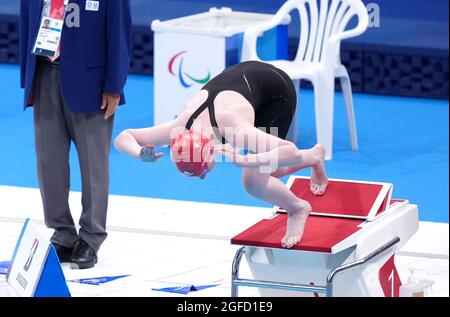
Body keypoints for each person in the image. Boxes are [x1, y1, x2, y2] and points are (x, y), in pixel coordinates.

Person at [114, 61, 328, 248]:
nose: (203, 177)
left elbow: (291, 152)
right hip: (244, 84)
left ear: (209, 150)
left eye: (203, 171)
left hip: (275, 93)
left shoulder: (234, 129)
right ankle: (315, 156)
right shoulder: (180, 126)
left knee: (253, 181)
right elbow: (124, 137)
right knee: (266, 168)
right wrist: (139, 153)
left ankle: (297, 208)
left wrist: (245, 159)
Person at [20, 0, 132, 268]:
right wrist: (28, 78)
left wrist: (114, 85)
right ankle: (62, 234)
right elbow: (27, 22)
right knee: (49, 161)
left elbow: (120, 33)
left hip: (91, 83)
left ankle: (91, 238)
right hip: (45, 75)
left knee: (93, 164)